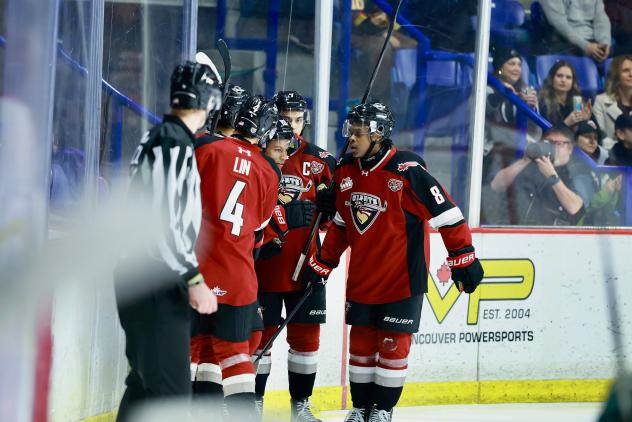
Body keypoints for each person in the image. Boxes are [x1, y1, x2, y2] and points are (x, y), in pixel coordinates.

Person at [303, 102, 483, 422]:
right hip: (362, 279)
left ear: (379, 134)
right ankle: (360, 410)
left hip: (402, 279)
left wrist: (462, 257)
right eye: (350, 131)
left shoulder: (407, 170)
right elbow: (344, 226)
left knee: (391, 347)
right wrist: (323, 263)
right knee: (360, 347)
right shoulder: (345, 171)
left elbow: (448, 214)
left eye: (358, 133)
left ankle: (382, 411)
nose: (351, 139)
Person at [113, 61, 220, 422]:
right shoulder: (172, 144)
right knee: (171, 395)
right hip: (155, 280)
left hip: (139, 278)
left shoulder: (158, 138)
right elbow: (164, 224)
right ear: (208, 102)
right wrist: (193, 278)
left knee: (145, 386)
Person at [190, 95, 281, 420]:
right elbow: (258, 226)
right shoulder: (269, 170)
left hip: (196, 271)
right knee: (235, 355)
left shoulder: (206, 146)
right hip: (238, 276)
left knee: (188, 350)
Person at [254, 91, 336, 422]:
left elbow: (336, 219)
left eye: (297, 119)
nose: (291, 126)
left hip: (307, 265)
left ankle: (300, 406)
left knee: (306, 338)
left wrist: (330, 208)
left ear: (306, 120)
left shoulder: (322, 161)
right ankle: (254, 402)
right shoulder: (261, 154)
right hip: (265, 265)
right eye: (284, 119)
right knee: (262, 337)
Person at [490, 125, 595, 225]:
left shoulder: (577, 172)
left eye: (558, 144)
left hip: (551, 236)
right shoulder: (530, 165)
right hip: (514, 229)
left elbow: (574, 208)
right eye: (548, 143)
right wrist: (524, 160)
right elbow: (496, 185)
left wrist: (552, 177)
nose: (553, 147)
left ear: (570, 149)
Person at [481, 45, 538, 224]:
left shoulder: (524, 91)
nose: (516, 68)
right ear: (500, 67)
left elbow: (537, 132)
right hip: (490, 153)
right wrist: (501, 95)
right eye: (511, 63)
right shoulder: (486, 87)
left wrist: (532, 109)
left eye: (519, 64)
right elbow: (482, 114)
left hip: (518, 151)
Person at [539, 0, 611, 62]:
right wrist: (586, 46)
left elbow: (601, 18)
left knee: (617, 58)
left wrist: (604, 43)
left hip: (592, 43)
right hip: (563, 43)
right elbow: (559, 23)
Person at [538, 60, 593, 128]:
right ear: (552, 79)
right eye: (559, 76)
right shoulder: (543, 103)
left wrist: (585, 122)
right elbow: (548, 133)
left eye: (568, 77)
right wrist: (566, 123)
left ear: (573, 82)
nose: (563, 80)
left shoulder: (579, 101)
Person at [593, 55, 632, 149]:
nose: (631, 74)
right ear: (616, 75)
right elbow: (600, 137)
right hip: (613, 156)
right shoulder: (600, 101)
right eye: (626, 70)